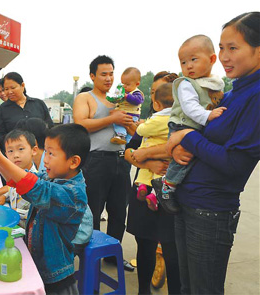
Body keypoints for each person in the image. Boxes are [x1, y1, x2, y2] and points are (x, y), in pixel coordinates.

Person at [166, 12, 260, 294]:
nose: (224, 56)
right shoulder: (231, 93)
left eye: (233, 48)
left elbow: (234, 163)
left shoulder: (255, 96)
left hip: (211, 210)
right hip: (190, 202)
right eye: (221, 47)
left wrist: (187, 135)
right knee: (187, 288)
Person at [0, 123, 90, 294]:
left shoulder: (72, 194)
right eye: (46, 152)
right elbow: (16, 181)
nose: (46, 159)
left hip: (56, 277)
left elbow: (32, 187)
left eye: (51, 153)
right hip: (39, 265)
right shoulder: (52, 178)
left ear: (73, 161)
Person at [152, 35, 227, 215]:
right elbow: (190, 107)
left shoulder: (214, 83)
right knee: (183, 159)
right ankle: (166, 186)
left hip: (197, 126)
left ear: (211, 59)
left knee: (193, 157)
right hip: (183, 125)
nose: (189, 66)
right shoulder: (186, 84)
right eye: (183, 62)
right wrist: (208, 116)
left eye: (194, 60)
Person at [73, 55, 135, 271]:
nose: (108, 78)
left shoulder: (117, 101)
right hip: (96, 161)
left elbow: (129, 129)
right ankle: (89, 258)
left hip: (120, 161)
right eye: (103, 74)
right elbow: (80, 124)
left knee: (119, 212)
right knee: (93, 211)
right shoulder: (86, 98)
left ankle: (111, 254)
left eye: (111, 74)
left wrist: (130, 124)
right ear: (93, 76)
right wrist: (112, 118)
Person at [126, 71, 181, 295]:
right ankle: (143, 290)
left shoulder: (182, 122)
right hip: (145, 188)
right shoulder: (152, 121)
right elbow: (129, 153)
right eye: (152, 92)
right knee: (145, 243)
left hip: (171, 192)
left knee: (172, 248)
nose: (154, 97)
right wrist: (149, 165)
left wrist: (149, 155)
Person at [0, 129, 38, 226]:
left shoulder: (37, 180)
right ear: (6, 154)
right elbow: (13, 189)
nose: (15, 155)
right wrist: (3, 196)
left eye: (21, 149)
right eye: (10, 151)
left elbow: (35, 214)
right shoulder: (13, 177)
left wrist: (12, 211)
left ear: (34, 150)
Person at [132, 83, 173, 211]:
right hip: (166, 157)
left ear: (157, 104)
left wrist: (140, 125)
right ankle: (154, 195)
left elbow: (143, 131)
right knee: (160, 178)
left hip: (149, 148)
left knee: (147, 171)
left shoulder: (158, 119)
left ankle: (142, 186)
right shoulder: (176, 118)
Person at [0, 72, 54, 152]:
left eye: (13, 88)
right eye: (6, 89)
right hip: (16, 156)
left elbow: (50, 128)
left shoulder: (38, 104)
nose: (9, 92)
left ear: (22, 86)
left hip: (41, 153)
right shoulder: (2, 110)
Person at [110, 67, 145, 145]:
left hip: (131, 115)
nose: (124, 86)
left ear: (137, 84)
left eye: (127, 84)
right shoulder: (123, 92)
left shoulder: (136, 93)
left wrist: (126, 96)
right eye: (123, 83)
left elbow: (137, 101)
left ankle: (120, 134)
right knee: (119, 122)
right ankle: (128, 142)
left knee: (118, 122)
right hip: (124, 113)